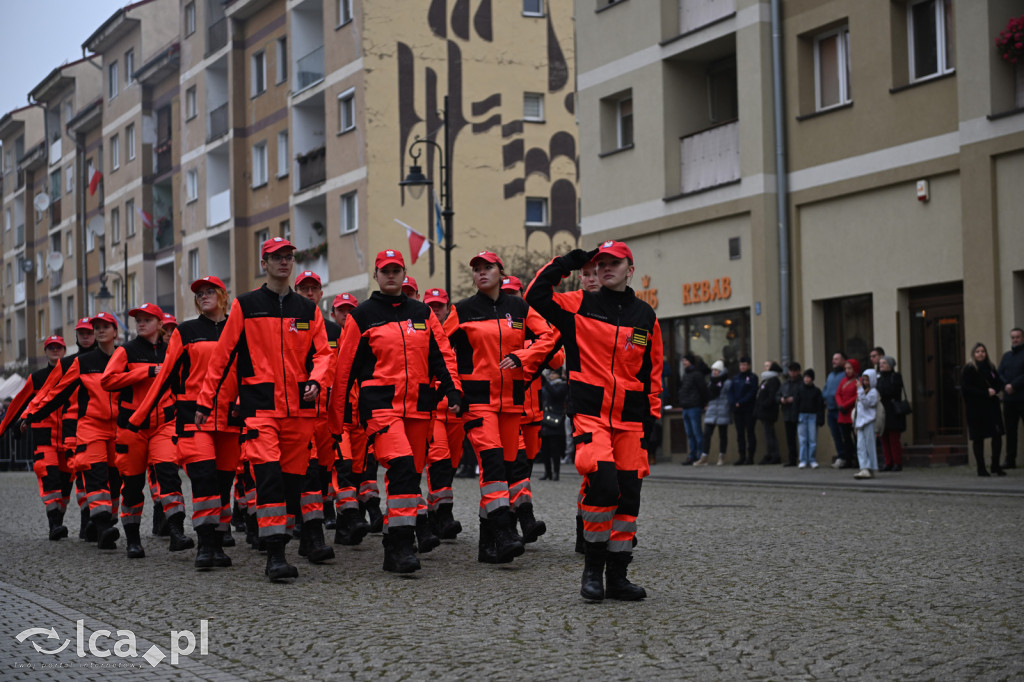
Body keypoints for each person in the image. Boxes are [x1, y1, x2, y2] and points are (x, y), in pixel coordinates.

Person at [526, 240, 662, 602]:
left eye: (613, 263)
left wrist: (651, 419)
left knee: (629, 497)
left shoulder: (645, 316)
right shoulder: (577, 305)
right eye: (600, 263)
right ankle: (593, 570)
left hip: (631, 421)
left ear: (630, 270)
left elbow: (653, 373)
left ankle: (618, 576)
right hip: (591, 415)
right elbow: (536, 294)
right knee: (602, 485)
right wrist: (568, 262)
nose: (605, 268)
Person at [196, 237, 333, 582]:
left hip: (299, 411)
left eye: (288, 257)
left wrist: (317, 379)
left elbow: (324, 354)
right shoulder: (247, 305)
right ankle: (275, 556)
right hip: (261, 408)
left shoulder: (308, 310)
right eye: (276, 258)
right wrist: (206, 399)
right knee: (268, 476)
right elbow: (222, 356)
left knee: (290, 484)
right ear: (264, 264)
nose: (284, 262)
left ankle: (280, 545)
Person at [330, 249, 463, 573]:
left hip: (418, 408)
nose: (391, 275)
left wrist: (453, 389)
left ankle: (394, 540)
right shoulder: (362, 315)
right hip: (381, 408)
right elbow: (344, 368)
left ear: (404, 274)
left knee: (409, 476)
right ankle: (402, 544)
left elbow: (441, 354)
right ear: (376, 276)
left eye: (396, 270)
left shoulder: (422, 312)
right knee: (401, 466)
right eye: (385, 270)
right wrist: (337, 419)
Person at [444, 251, 555, 564]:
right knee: (492, 466)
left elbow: (549, 335)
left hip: (511, 402)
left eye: (487, 267)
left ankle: (488, 544)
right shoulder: (463, 310)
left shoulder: (518, 307)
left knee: (504, 472)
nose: (481, 273)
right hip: (478, 401)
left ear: (500, 272)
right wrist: (453, 388)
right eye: (476, 269)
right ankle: (505, 533)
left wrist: (525, 356)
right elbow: (440, 348)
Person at [130, 276, 243, 569]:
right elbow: (166, 375)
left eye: (209, 292)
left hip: (231, 418)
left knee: (223, 483)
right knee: (204, 480)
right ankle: (205, 545)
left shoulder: (238, 329)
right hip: (194, 417)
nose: (203, 296)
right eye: (199, 294)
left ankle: (218, 543)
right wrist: (139, 416)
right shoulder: (187, 331)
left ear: (222, 295)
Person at [24, 313, 123, 550]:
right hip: (79, 430)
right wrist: (27, 417)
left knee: (113, 480)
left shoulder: (124, 357)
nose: (93, 334)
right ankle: (86, 524)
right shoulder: (72, 365)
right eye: (88, 331)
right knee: (82, 476)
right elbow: (50, 396)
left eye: (98, 329)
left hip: (115, 430)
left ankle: (98, 523)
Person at [101, 303, 183, 560]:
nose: (140, 323)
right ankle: (133, 541)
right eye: (138, 319)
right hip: (131, 427)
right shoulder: (126, 350)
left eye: (147, 319)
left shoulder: (172, 351)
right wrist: (144, 372)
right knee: (133, 485)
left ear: (160, 325)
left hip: (163, 425)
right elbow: (107, 380)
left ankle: (177, 532)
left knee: (169, 475)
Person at [0, 336, 69, 540]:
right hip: (44, 433)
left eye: (58, 347)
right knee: (49, 476)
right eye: (51, 347)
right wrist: (5, 427)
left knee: (66, 482)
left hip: (68, 435)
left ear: (64, 350)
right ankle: (54, 523)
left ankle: (60, 519)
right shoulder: (37, 378)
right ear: (45, 351)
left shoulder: (72, 374)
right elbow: (18, 403)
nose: (55, 350)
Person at [291, 270, 338, 564]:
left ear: (321, 294)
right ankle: (312, 532)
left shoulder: (333, 331)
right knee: (304, 471)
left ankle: (310, 527)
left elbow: (341, 370)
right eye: (304, 288)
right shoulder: (287, 325)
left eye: (314, 288)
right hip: (295, 411)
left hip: (326, 412)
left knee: (322, 473)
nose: (309, 293)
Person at [328, 292, 374, 546]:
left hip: (362, 416)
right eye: (341, 310)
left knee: (358, 470)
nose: (346, 315)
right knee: (343, 466)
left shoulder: (366, 338)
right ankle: (352, 514)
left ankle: (345, 530)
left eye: (350, 310)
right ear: (333, 314)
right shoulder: (329, 338)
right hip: (340, 415)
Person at [961, 342, 1006, 477]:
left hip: (992, 407)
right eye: (978, 351)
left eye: (983, 351)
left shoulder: (991, 367)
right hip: (976, 409)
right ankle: (981, 468)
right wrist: (985, 392)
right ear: (973, 354)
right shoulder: (969, 369)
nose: (980, 354)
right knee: (978, 438)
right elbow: (967, 389)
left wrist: (995, 390)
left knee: (997, 436)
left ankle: (995, 465)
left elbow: (999, 382)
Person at [696, 360, 731, 466]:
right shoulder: (711, 382)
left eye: (717, 370)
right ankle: (704, 456)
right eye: (713, 370)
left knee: (723, 435)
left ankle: (721, 456)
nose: (715, 372)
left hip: (723, 410)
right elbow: (707, 395)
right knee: (707, 434)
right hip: (711, 410)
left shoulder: (727, 382)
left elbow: (729, 396)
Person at [998, 327, 1024, 469]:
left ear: (1022, 338)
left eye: (1017, 337)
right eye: (1013, 337)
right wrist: (1006, 385)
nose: (1015, 340)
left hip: (1022, 397)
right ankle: (1010, 460)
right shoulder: (1007, 356)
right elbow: (999, 373)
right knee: (1010, 431)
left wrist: (1014, 385)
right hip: (1009, 400)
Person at [677, 352, 709, 464]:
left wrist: (703, 403)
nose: (683, 362)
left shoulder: (696, 374)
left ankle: (700, 456)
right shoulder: (686, 374)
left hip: (694, 406)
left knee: (696, 433)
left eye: (685, 360)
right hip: (686, 406)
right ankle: (692, 455)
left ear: (690, 361)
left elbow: (703, 390)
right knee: (690, 434)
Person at [876, 356, 906, 472]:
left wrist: (881, 391)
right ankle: (888, 462)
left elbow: (891, 391)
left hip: (893, 411)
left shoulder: (895, 377)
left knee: (893, 438)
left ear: (890, 365)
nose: (881, 365)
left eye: (884, 363)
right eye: (880, 363)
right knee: (884, 438)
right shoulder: (879, 378)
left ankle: (897, 462)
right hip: (882, 411)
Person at [539, 367, 568, 480]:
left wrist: (545, 382)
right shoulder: (547, 385)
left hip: (556, 420)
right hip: (545, 420)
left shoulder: (563, 385)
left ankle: (556, 472)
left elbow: (556, 395)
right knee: (545, 449)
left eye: (553, 373)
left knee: (555, 449)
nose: (550, 375)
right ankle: (548, 472)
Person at [728, 356, 757, 465]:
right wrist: (733, 402)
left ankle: (750, 457)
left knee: (750, 432)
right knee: (740, 434)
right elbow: (731, 392)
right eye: (741, 365)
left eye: (744, 365)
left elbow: (752, 392)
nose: (742, 367)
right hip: (737, 410)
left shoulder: (752, 377)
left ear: (749, 366)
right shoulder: (736, 378)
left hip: (748, 409)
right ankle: (742, 456)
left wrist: (741, 402)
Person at [853, 369, 880, 479]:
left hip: (869, 422)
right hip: (861, 423)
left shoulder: (873, 392)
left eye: (867, 380)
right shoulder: (864, 391)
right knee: (861, 446)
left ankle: (870, 467)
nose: (864, 382)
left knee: (869, 446)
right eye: (863, 380)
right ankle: (864, 467)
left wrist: (859, 389)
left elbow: (867, 403)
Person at [833, 358, 860, 469]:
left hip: (852, 413)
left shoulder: (858, 381)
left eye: (850, 368)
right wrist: (840, 405)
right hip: (842, 414)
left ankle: (858, 460)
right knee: (846, 439)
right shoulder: (843, 381)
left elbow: (857, 396)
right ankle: (848, 459)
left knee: (857, 439)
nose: (847, 371)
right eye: (846, 368)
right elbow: (838, 394)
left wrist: (845, 405)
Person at [822, 352, 847, 467]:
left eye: (837, 359)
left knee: (844, 434)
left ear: (843, 361)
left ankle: (847, 456)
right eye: (833, 359)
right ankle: (841, 456)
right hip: (831, 409)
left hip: (841, 410)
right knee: (835, 434)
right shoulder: (831, 375)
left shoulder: (845, 375)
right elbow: (826, 388)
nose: (834, 361)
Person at [795, 369, 824, 468]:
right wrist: (795, 416)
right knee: (803, 439)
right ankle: (803, 459)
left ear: (812, 379)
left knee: (812, 439)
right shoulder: (799, 390)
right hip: (802, 415)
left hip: (812, 415)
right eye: (805, 377)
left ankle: (812, 459)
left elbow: (820, 406)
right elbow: (796, 404)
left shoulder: (816, 391)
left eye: (809, 377)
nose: (807, 379)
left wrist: (820, 418)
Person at [754, 361, 782, 464]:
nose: (765, 368)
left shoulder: (773, 381)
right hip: (763, 411)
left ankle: (773, 455)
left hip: (768, 412)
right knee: (768, 433)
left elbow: (771, 396)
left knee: (769, 434)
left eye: (767, 366)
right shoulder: (766, 380)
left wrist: (763, 404)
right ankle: (771, 454)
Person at [777, 362, 803, 467]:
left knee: (802, 438)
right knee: (790, 438)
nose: (792, 373)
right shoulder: (785, 383)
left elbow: (803, 396)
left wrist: (794, 399)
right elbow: (777, 395)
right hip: (787, 413)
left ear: (798, 371)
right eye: (791, 371)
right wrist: (781, 399)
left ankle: (803, 458)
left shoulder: (801, 383)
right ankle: (792, 459)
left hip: (799, 412)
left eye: (794, 371)